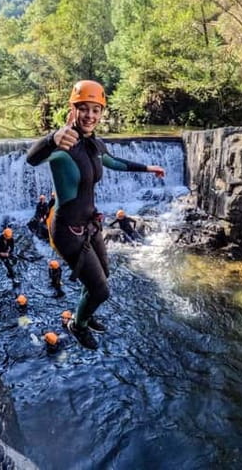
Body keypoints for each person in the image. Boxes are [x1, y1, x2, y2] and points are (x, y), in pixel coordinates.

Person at [26, 79, 165, 349]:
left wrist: (148, 168)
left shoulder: (95, 144)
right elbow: (32, 159)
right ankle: (76, 325)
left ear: (102, 113)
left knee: (103, 275)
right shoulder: (63, 142)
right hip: (67, 230)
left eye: (96, 110)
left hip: (89, 225)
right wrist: (50, 138)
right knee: (100, 290)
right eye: (84, 109)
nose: (90, 115)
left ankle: (83, 315)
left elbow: (114, 162)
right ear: (73, 109)